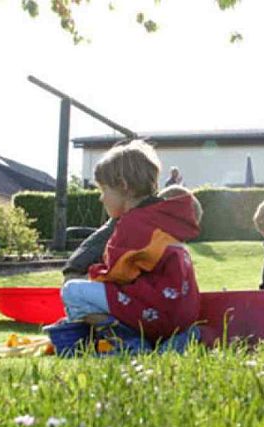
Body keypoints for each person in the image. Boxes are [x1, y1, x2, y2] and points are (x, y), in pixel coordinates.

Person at [59, 140, 202, 345]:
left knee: (72, 291)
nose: (101, 198)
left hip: (153, 312)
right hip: (180, 314)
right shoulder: (163, 217)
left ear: (123, 186)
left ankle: (128, 342)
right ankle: (173, 341)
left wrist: (93, 276)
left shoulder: (132, 223)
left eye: (104, 190)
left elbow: (119, 273)